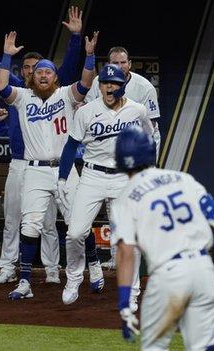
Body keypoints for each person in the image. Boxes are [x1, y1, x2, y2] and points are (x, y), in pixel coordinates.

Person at [112, 125, 214, 351]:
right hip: (204, 271)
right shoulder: (181, 178)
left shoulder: (124, 198)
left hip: (169, 276)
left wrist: (125, 302)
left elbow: (126, 252)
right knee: (201, 347)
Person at [0, 4, 84, 284]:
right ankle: (7, 268)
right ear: (24, 72)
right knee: (13, 219)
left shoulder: (54, 94)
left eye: (38, 68)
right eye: (28, 68)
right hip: (20, 163)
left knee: (47, 223)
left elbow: (70, 67)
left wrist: (75, 39)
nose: (33, 72)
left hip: (48, 164)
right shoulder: (19, 93)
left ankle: (50, 270)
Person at [0, 30, 98, 300]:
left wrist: (89, 55)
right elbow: (1, 86)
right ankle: (25, 282)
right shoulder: (21, 97)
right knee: (29, 226)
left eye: (48, 72)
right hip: (35, 170)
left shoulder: (65, 95)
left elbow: (86, 83)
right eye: (38, 72)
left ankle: (94, 267)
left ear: (55, 77)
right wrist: (6, 56)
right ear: (31, 76)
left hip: (64, 169)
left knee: (79, 224)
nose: (42, 75)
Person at [57, 64, 152, 306]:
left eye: (115, 83)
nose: (109, 87)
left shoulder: (138, 110)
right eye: (105, 83)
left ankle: (131, 293)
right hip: (93, 176)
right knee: (75, 232)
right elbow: (70, 146)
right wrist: (62, 177)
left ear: (123, 85)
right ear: (99, 86)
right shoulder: (86, 112)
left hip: (123, 178)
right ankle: (74, 278)